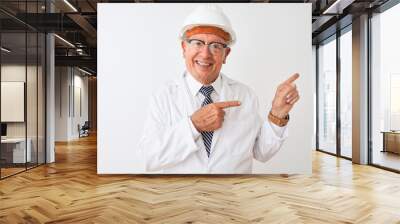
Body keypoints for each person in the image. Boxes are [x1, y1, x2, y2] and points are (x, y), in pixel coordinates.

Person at [138, 4, 300, 174]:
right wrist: (193, 125)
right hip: (182, 196)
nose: (206, 54)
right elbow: (149, 157)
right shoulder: (164, 95)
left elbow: (261, 152)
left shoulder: (245, 95)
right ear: (184, 48)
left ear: (226, 54)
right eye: (197, 43)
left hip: (232, 196)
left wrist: (277, 114)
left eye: (216, 45)